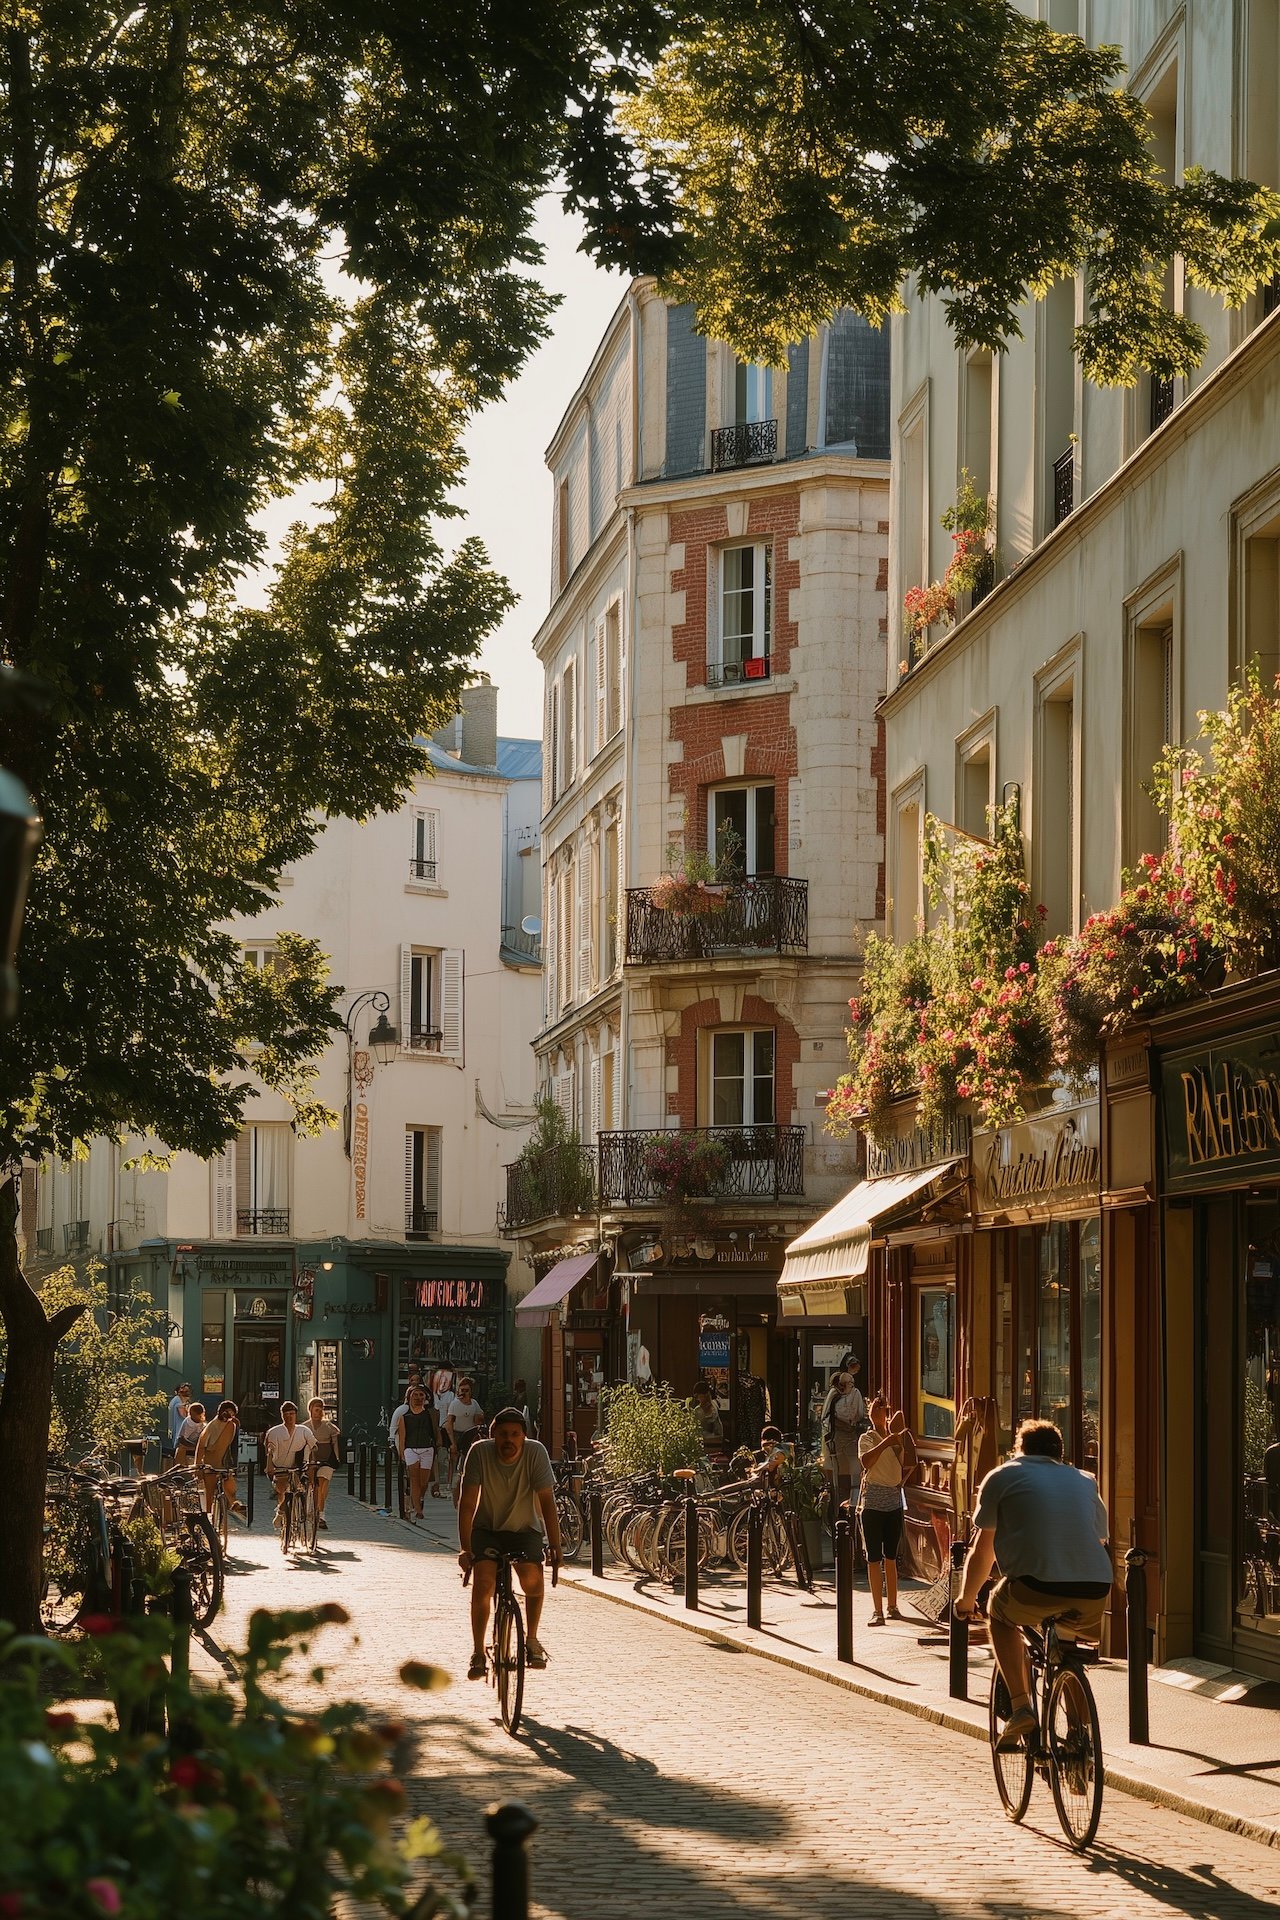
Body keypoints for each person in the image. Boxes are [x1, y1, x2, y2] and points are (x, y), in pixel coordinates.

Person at [955, 1418, 1113, 1750]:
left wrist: (966, 1600)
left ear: (1020, 1450)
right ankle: (1079, 1739)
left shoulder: (1003, 1476)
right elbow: (1099, 1537)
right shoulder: (1085, 1480)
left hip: (1034, 1587)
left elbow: (983, 1550)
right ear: (1060, 1453)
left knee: (998, 1613)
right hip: (1095, 1589)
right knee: (1065, 1648)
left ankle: (1021, 1705)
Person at [457, 1407, 561, 1678]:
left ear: (524, 1436)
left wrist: (556, 1545)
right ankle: (478, 1651)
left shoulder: (536, 1453)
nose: (509, 1440)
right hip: (487, 1529)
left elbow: (547, 1502)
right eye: (503, 1434)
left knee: (532, 1580)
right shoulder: (480, 1452)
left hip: (524, 1529)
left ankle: (532, 1639)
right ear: (494, 1436)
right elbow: (467, 1504)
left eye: (515, 1434)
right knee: (484, 1583)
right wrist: (466, 1548)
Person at [857, 1397, 915, 1624]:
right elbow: (866, 1462)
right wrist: (885, 1442)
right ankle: (877, 1610)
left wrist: (901, 1481)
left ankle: (892, 1605)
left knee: (891, 1557)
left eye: (882, 1408)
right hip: (872, 1502)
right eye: (875, 1407)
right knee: (873, 1558)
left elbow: (909, 1463)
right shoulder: (867, 1438)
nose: (878, 1411)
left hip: (893, 1500)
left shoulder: (898, 1437)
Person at [194, 1400, 246, 1517]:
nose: (229, 1416)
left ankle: (232, 1504)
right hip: (211, 1464)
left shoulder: (231, 1425)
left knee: (229, 1486)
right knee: (209, 1494)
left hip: (224, 1464)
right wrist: (197, 1466)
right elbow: (201, 1445)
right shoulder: (212, 1426)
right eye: (228, 1412)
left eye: (232, 1414)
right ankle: (207, 1520)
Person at [263, 1400, 314, 1519]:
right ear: (282, 1416)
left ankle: (298, 1511)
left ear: (296, 1415)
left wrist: (311, 1462)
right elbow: (269, 1451)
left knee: (299, 1486)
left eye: (292, 1414)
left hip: (298, 1465)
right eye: (286, 1414)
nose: (289, 1417)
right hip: (280, 1466)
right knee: (281, 1489)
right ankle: (281, 1513)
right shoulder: (274, 1432)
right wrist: (269, 1465)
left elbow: (312, 1445)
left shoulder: (303, 1430)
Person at [827, 1362, 867, 1511]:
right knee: (852, 1469)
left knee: (842, 1472)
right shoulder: (852, 1394)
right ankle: (850, 1503)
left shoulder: (834, 1396)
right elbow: (856, 1414)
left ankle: (845, 1504)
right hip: (844, 1438)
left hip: (837, 1439)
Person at [397, 1385, 436, 1520]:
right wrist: (402, 1452)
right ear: (409, 1398)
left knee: (424, 1481)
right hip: (411, 1448)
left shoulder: (430, 1414)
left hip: (427, 1448)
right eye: (415, 1395)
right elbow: (403, 1436)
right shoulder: (404, 1417)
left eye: (421, 1395)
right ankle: (418, 1510)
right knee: (414, 1478)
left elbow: (435, 1431)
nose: (418, 1398)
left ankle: (419, 1497)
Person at [444, 1378, 485, 1497]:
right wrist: (452, 1442)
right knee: (453, 1458)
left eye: (467, 1390)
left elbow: (479, 1419)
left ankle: (465, 1481)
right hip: (457, 1432)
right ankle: (450, 1484)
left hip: (470, 1433)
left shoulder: (474, 1403)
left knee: (468, 1458)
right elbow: (449, 1422)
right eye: (462, 1390)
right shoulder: (455, 1404)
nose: (464, 1393)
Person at [306, 1396, 342, 1529]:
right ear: (310, 1410)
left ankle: (321, 1514)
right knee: (313, 1485)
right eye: (316, 1410)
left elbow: (335, 1443)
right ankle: (311, 1507)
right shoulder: (304, 1427)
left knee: (323, 1483)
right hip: (311, 1460)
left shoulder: (329, 1427)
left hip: (326, 1459)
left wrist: (337, 1459)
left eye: (320, 1410)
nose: (318, 1413)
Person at [430, 1364, 456, 1495]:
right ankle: (436, 1484)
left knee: (446, 1458)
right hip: (434, 1428)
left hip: (445, 1428)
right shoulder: (431, 1396)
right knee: (435, 1458)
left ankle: (446, 1484)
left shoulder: (451, 1396)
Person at [174, 1401, 207, 1466]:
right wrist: (194, 1446)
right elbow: (181, 1439)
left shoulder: (203, 1424)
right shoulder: (188, 1423)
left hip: (196, 1449)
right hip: (185, 1448)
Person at [166, 1383, 192, 1459]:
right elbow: (184, 1415)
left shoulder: (174, 1401)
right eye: (184, 1391)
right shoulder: (178, 1402)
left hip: (176, 1432)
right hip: (180, 1433)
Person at [692, 1381, 724, 1446]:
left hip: (709, 1441)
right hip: (718, 1438)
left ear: (704, 1395)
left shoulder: (699, 1410)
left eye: (698, 1397)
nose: (698, 1399)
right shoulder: (715, 1403)